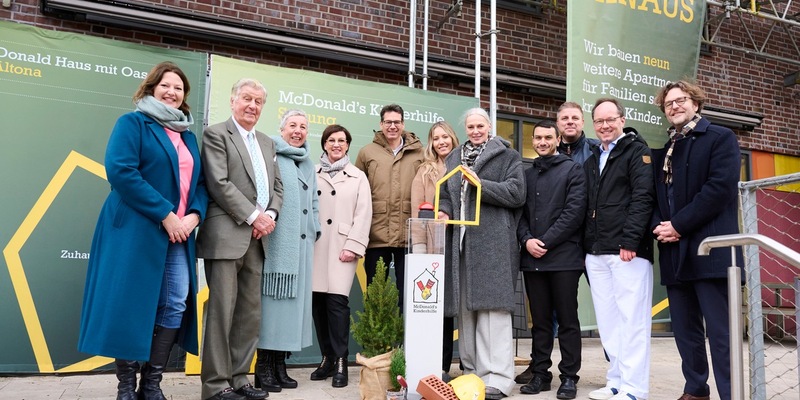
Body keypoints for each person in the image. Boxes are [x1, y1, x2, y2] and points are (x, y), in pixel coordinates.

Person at [78, 61, 207, 400]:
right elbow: (121, 171)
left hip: (179, 234)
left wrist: (194, 215)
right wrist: (165, 213)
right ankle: (125, 387)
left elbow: (201, 185)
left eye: (178, 88)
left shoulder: (189, 136)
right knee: (131, 304)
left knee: (176, 302)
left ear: (184, 96)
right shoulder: (133, 123)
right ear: (152, 88)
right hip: (136, 230)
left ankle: (152, 383)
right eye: (166, 85)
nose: (172, 92)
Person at [652, 80, 742, 400]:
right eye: (668, 103)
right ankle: (696, 389)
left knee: (721, 333)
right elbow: (657, 199)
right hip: (675, 253)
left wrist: (678, 225)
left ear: (696, 103)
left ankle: (732, 393)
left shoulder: (720, 137)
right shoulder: (667, 149)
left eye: (681, 100)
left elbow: (719, 189)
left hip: (711, 250)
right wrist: (661, 228)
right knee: (686, 332)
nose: (674, 106)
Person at [197, 78, 283, 400]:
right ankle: (215, 386)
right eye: (247, 98)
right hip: (226, 235)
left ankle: (240, 379)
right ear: (233, 101)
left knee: (249, 314)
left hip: (258, 239)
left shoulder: (267, 142)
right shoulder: (216, 134)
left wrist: (269, 217)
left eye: (258, 101)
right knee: (221, 312)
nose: (252, 105)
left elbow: (277, 188)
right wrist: (253, 216)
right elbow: (219, 183)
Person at [438, 108, 526, 400]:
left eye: (480, 126)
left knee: (492, 313)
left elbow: (516, 193)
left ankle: (498, 379)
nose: (475, 131)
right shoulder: (453, 158)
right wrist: (443, 211)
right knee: (467, 311)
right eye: (471, 126)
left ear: (489, 127)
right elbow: (447, 196)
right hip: (461, 243)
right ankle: (472, 374)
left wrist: (480, 185)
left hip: (494, 243)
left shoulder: (508, 156)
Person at [516, 101, 600, 385]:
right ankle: (540, 374)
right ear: (533, 142)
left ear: (557, 140)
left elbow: (574, 213)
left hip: (564, 258)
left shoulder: (572, 171)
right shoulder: (526, 175)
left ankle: (569, 377)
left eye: (547, 137)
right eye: (537, 138)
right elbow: (521, 214)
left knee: (567, 321)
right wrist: (527, 240)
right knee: (539, 323)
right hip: (533, 259)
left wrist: (545, 242)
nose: (542, 142)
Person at [583, 98, 655, 400]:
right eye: (598, 121)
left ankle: (634, 389)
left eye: (610, 119)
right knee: (609, 324)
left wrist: (630, 241)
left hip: (627, 252)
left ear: (622, 119)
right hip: (597, 252)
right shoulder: (592, 159)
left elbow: (643, 197)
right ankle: (616, 380)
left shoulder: (638, 152)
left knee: (633, 322)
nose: (604, 126)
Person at [254, 109, 320, 392]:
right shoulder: (271, 155)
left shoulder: (307, 163)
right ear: (281, 130)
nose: (297, 131)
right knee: (273, 309)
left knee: (293, 313)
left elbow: (314, 201)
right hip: (278, 244)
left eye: (303, 127)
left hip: (302, 247)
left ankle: (280, 366)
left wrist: (315, 229)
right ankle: (263, 367)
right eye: (292, 125)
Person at [310, 124, 372, 388]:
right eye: (332, 140)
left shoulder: (358, 176)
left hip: (342, 247)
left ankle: (341, 361)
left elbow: (364, 213)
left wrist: (353, 245)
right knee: (317, 305)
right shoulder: (312, 172)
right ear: (324, 144)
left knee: (337, 304)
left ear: (348, 145)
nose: (337, 144)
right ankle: (326, 358)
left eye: (342, 140)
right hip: (315, 246)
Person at [355, 104, 424, 309]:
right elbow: (358, 191)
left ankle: (405, 341)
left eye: (396, 122)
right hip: (376, 234)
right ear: (381, 124)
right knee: (377, 296)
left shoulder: (419, 152)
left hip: (408, 234)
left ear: (403, 124)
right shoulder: (367, 152)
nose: (392, 126)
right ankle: (376, 342)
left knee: (408, 295)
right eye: (388, 122)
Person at [410, 120, 461, 378]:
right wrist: (419, 248)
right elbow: (416, 211)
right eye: (436, 138)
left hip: (459, 245)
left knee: (453, 306)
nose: (441, 142)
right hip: (432, 247)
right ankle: (435, 365)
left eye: (445, 137)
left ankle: (449, 364)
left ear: (453, 138)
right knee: (434, 308)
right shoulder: (424, 171)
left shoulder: (464, 167)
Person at [556, 101, 601, 166]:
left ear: (582, 123)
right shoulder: (550, 151)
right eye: (565, 118)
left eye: (575, 118)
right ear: (557, 123)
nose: (570, 122)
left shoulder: (598, 149)